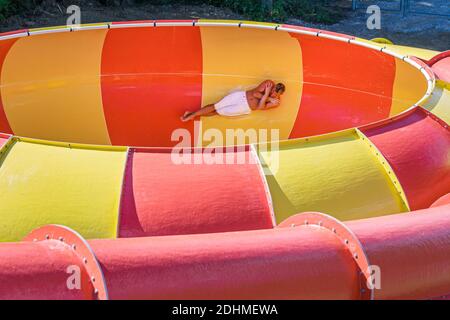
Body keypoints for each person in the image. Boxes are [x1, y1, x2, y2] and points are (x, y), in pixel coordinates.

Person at [181, 80, 285, 122]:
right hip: (240, 96)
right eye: (271, 91)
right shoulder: (269, 83)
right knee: (215, 105)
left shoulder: (276, 102)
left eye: (274, 94)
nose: (272, 93)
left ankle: (192, 114)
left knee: (217, 112)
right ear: (274, 86)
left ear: (279, 95)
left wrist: (266, 94)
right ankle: (191, 115)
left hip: (245, 108)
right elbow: (255, 94)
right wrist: (268, 98)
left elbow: (259, 107)